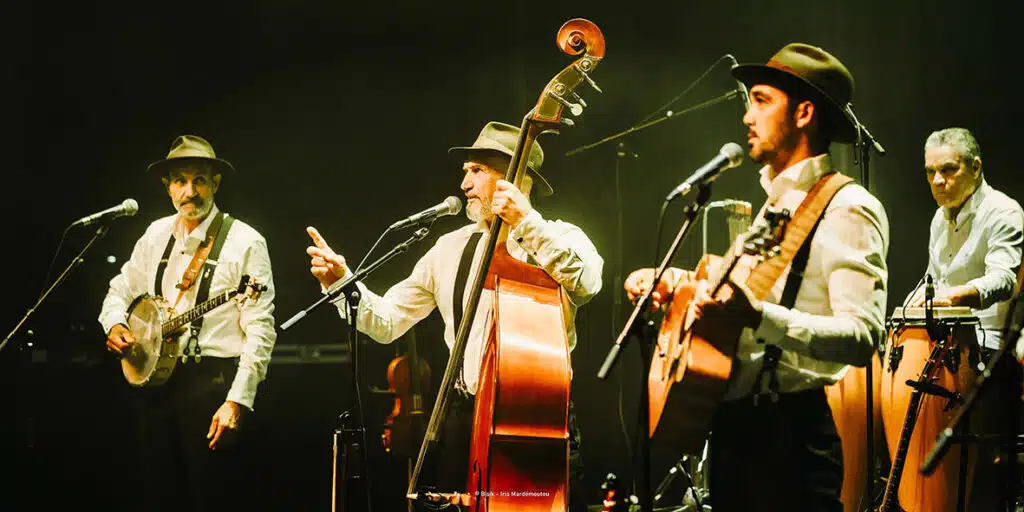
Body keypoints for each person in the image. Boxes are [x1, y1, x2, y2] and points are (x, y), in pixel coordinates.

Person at [624, 43, 889, 512]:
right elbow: (737, 300)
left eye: (762, 100)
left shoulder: (848, 206)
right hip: (735, 435)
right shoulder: (774, 205)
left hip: (789, 440)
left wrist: (760, 316)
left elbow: (862, 336)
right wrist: (677, 287)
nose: (747, 116)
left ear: (804, 113)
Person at [305, 121, 603, 509]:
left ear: (516, 176)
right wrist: (342, 282)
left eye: (476, 170)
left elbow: (586, 281)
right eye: (465, 171)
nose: (464, 184)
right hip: (465, 421)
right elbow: (387, 320)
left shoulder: (561, 235)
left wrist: (525, 221)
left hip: (537, 419)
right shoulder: (450, 247)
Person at [99, 135, 277, 511]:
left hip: (211, 387)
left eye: (199, 179)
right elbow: (118, 291)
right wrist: (115, 324)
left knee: (212, 498)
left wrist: (237, 401)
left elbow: (261, 330)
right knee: (159, 498)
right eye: (179, 180)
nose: (189, 191)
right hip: (155, 390)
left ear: (216, 182)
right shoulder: (154, 235)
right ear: (168, 187)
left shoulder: (246, 241)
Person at [906, 127, 1024, 510]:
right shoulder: (939, 220)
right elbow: (932, 279)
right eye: (930, 172)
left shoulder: (1003, 211)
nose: (938, 181)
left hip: (993, 344)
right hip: (950, 344)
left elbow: (1004, 279)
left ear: (976, 168)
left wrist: (955, 295)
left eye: (949, 170)